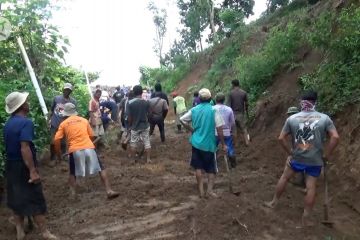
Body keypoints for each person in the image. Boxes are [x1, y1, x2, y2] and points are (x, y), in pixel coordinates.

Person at [264, 91, 340, 227]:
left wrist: (290, 153)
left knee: (285, 177)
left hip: (297, 157)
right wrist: (326, 155)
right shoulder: (324, 118)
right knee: (311, 187)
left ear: (302, 101)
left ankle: (274, 202)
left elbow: (281, 138)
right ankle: (306, 217)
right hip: (315, 160)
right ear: (315, 101)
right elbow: (335, 137)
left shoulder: (292, 118)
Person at [4, 92, 57, 240]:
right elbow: (24, 148)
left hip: (11, 165)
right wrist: (32, 171)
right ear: (22, 106)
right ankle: (45, 233)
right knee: (35, 197)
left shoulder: (8, 124)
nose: (28, 102)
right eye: (26, 101)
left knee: (16, 198)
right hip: (23, 165)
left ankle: (20, 231)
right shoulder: (26, 123)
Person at [54, 103, 119, 200]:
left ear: (65, 113)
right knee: (101, 169)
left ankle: (73, 194)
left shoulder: (63, 124)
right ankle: (109, 190)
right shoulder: (84, 121)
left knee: (73, 173)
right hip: (89, 147)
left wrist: (58, 154)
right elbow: (91, 136)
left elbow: (56, 140)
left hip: (74, 150)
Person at [180, 88, 227, 198]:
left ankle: (201, 191)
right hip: (209, 144)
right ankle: (209, 191)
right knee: (211, 169)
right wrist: (223, 144)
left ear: (199, 99)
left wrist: (191, 130)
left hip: (196, 142)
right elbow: (220, 129)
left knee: (198, 167)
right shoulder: (213, 110)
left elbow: (182, 119)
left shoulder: (194, 110)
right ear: (210, 98)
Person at [49, 83, 76, 164]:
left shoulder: (73, 101)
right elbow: (52, 109)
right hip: (55, 123)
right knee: (53, 141)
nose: (67, 91)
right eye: (65, 89)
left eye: (69, 90)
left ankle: (63, 156)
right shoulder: (57, 98)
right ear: (63, 90)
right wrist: (48, 120)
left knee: (64, 141)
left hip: (66, 125)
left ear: (71, 91)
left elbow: (74, 113)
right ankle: (53, 157)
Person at [128, 85, 151, 163]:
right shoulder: (146, 102)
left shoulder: (130, 103)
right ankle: (148, 159)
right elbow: (150, 113)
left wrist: (130, 126)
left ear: (134, 93)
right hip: (145, 125)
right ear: (141, 92)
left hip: (135, 126)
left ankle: (133, 159)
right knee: (147, 142)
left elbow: (129, 117)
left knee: (133, 143)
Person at [214, 93, 237, 168]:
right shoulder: (229, 109)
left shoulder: (212, 109)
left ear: (216, 99)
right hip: (227, 131)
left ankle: (214, 163)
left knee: (214, 147)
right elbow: (233, 122)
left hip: (215, 131)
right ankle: (233, 164)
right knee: (229, 147)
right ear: (224, 100)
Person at [228, 79, 250, 146]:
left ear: (233, 85)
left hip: (233, 114)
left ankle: (236, 144)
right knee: (244, 128)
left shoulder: (230, 93)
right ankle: (247, 142)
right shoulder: (244, 92)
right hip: (241, 113)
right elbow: (246, 103)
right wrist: (246, 111)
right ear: (238, 84)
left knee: (234, 130)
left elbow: (228, 105)